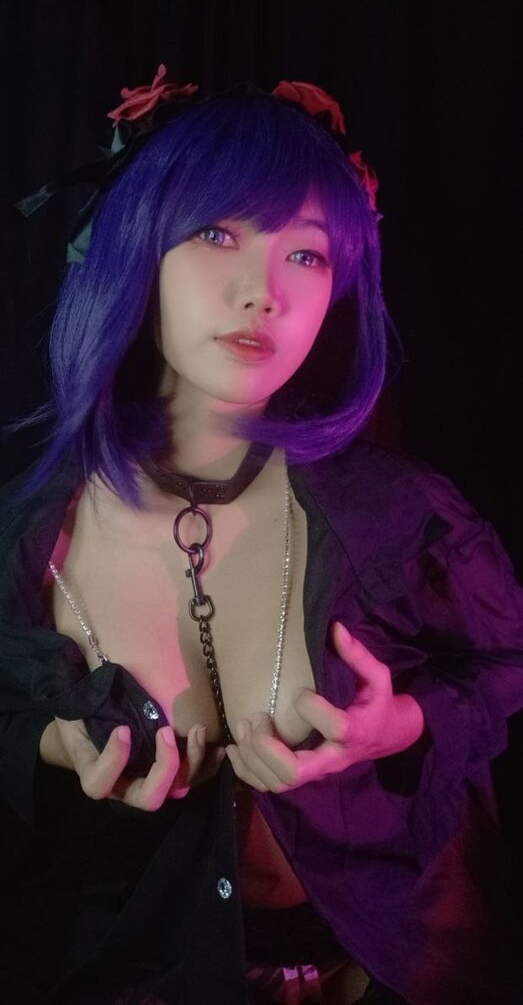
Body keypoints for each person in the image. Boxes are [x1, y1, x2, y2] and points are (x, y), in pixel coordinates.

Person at [1, 69, 522, 1005]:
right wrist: (45, 747)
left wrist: (402, 724)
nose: (263, 292)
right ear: (136, 246)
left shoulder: (402, 521)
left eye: (307, 254)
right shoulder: (26, 540)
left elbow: (502, 667)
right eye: (216, 233)